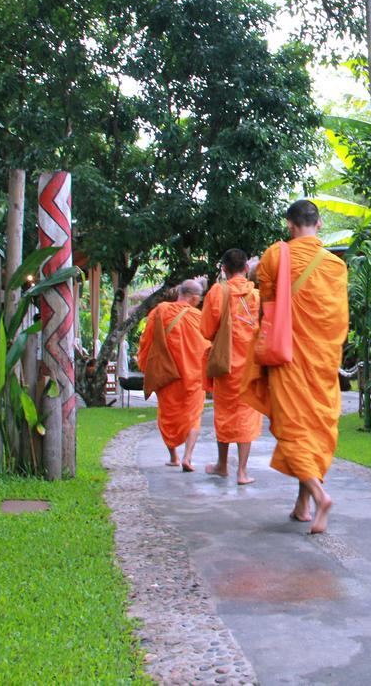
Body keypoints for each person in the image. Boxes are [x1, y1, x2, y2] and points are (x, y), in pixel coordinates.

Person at [246, 199, 348, 534]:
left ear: (290, 224)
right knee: (315, 430)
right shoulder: (336, 266)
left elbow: (268, 304)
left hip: (288, 355)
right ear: (318, 225)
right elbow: (338, 321)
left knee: (293, 428)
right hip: (323, 360)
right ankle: (302, 505)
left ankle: (319, 496)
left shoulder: (275, 256)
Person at [200, 248, 262, 484]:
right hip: (251, 364)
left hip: (226, 364)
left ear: (224, 269)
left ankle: (222, 464)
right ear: (246, 268)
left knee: (225, 413)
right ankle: (242, 472)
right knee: (247, 413)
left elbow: (206, 330)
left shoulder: (217, 291)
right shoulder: (256, 296)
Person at [138, 279, 210, 471]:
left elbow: (146, 341)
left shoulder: (159, 311)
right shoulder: (198, 317)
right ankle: (188, 457)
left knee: (167, 414)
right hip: (193, 377)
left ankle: (173, 457)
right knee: (193, 417)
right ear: (195, 297)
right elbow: (206, 347)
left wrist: (147, 365)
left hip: (167, 375)